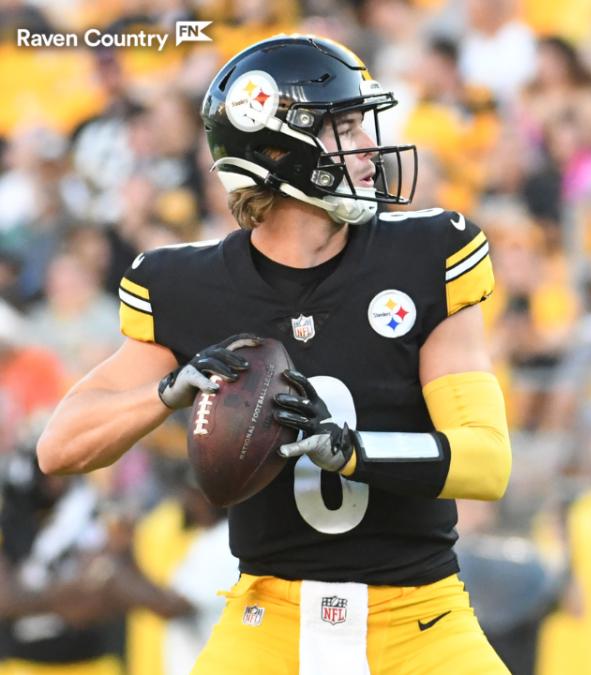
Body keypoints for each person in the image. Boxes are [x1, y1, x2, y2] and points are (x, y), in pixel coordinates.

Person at [37, 35, 512, 674]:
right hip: (268, 617)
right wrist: (167, 391)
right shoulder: (187, 287)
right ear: (277, 149)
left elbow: (487, 461)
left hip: (420, 619)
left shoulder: (427, 254)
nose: (370, 145)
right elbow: (59, 447)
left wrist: (351, 450)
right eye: (344, 126)